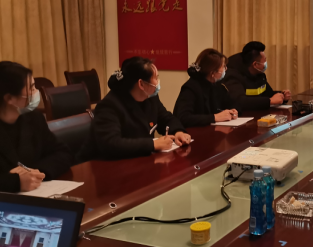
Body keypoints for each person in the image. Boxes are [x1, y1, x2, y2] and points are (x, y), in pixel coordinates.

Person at [78, 57, 191, 161]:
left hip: (137, 160)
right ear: (141, 84)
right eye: (156, 78)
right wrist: (153, 144)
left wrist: (178, 132)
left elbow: (166, 118)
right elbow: (111, 143)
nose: (157, 83)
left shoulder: (151, 98)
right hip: (104, 166)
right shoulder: (109, 105)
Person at [0, 61, 73, 192]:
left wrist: (35, 172)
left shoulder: (34, 118)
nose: (36, 92)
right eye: (31, 88)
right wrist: (15, 181)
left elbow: (63, 153)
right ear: (9, 98)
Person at [173, 48, 239, 127]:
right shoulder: (191, 88)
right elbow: (183, 118)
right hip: (193, 132)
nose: (226, 69)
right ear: (212, 73)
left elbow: (232, 104)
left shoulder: (218, 86)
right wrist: (214, 117)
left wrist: (233, 111)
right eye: (223, 66)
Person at [224, 41, 291, 110]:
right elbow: (240, 101)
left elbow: (267, 94)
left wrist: (282, 95)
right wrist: (269, 101)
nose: (266, 63)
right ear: (255, 64)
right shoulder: (232, 76)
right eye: (264, 60)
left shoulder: (259, 74)